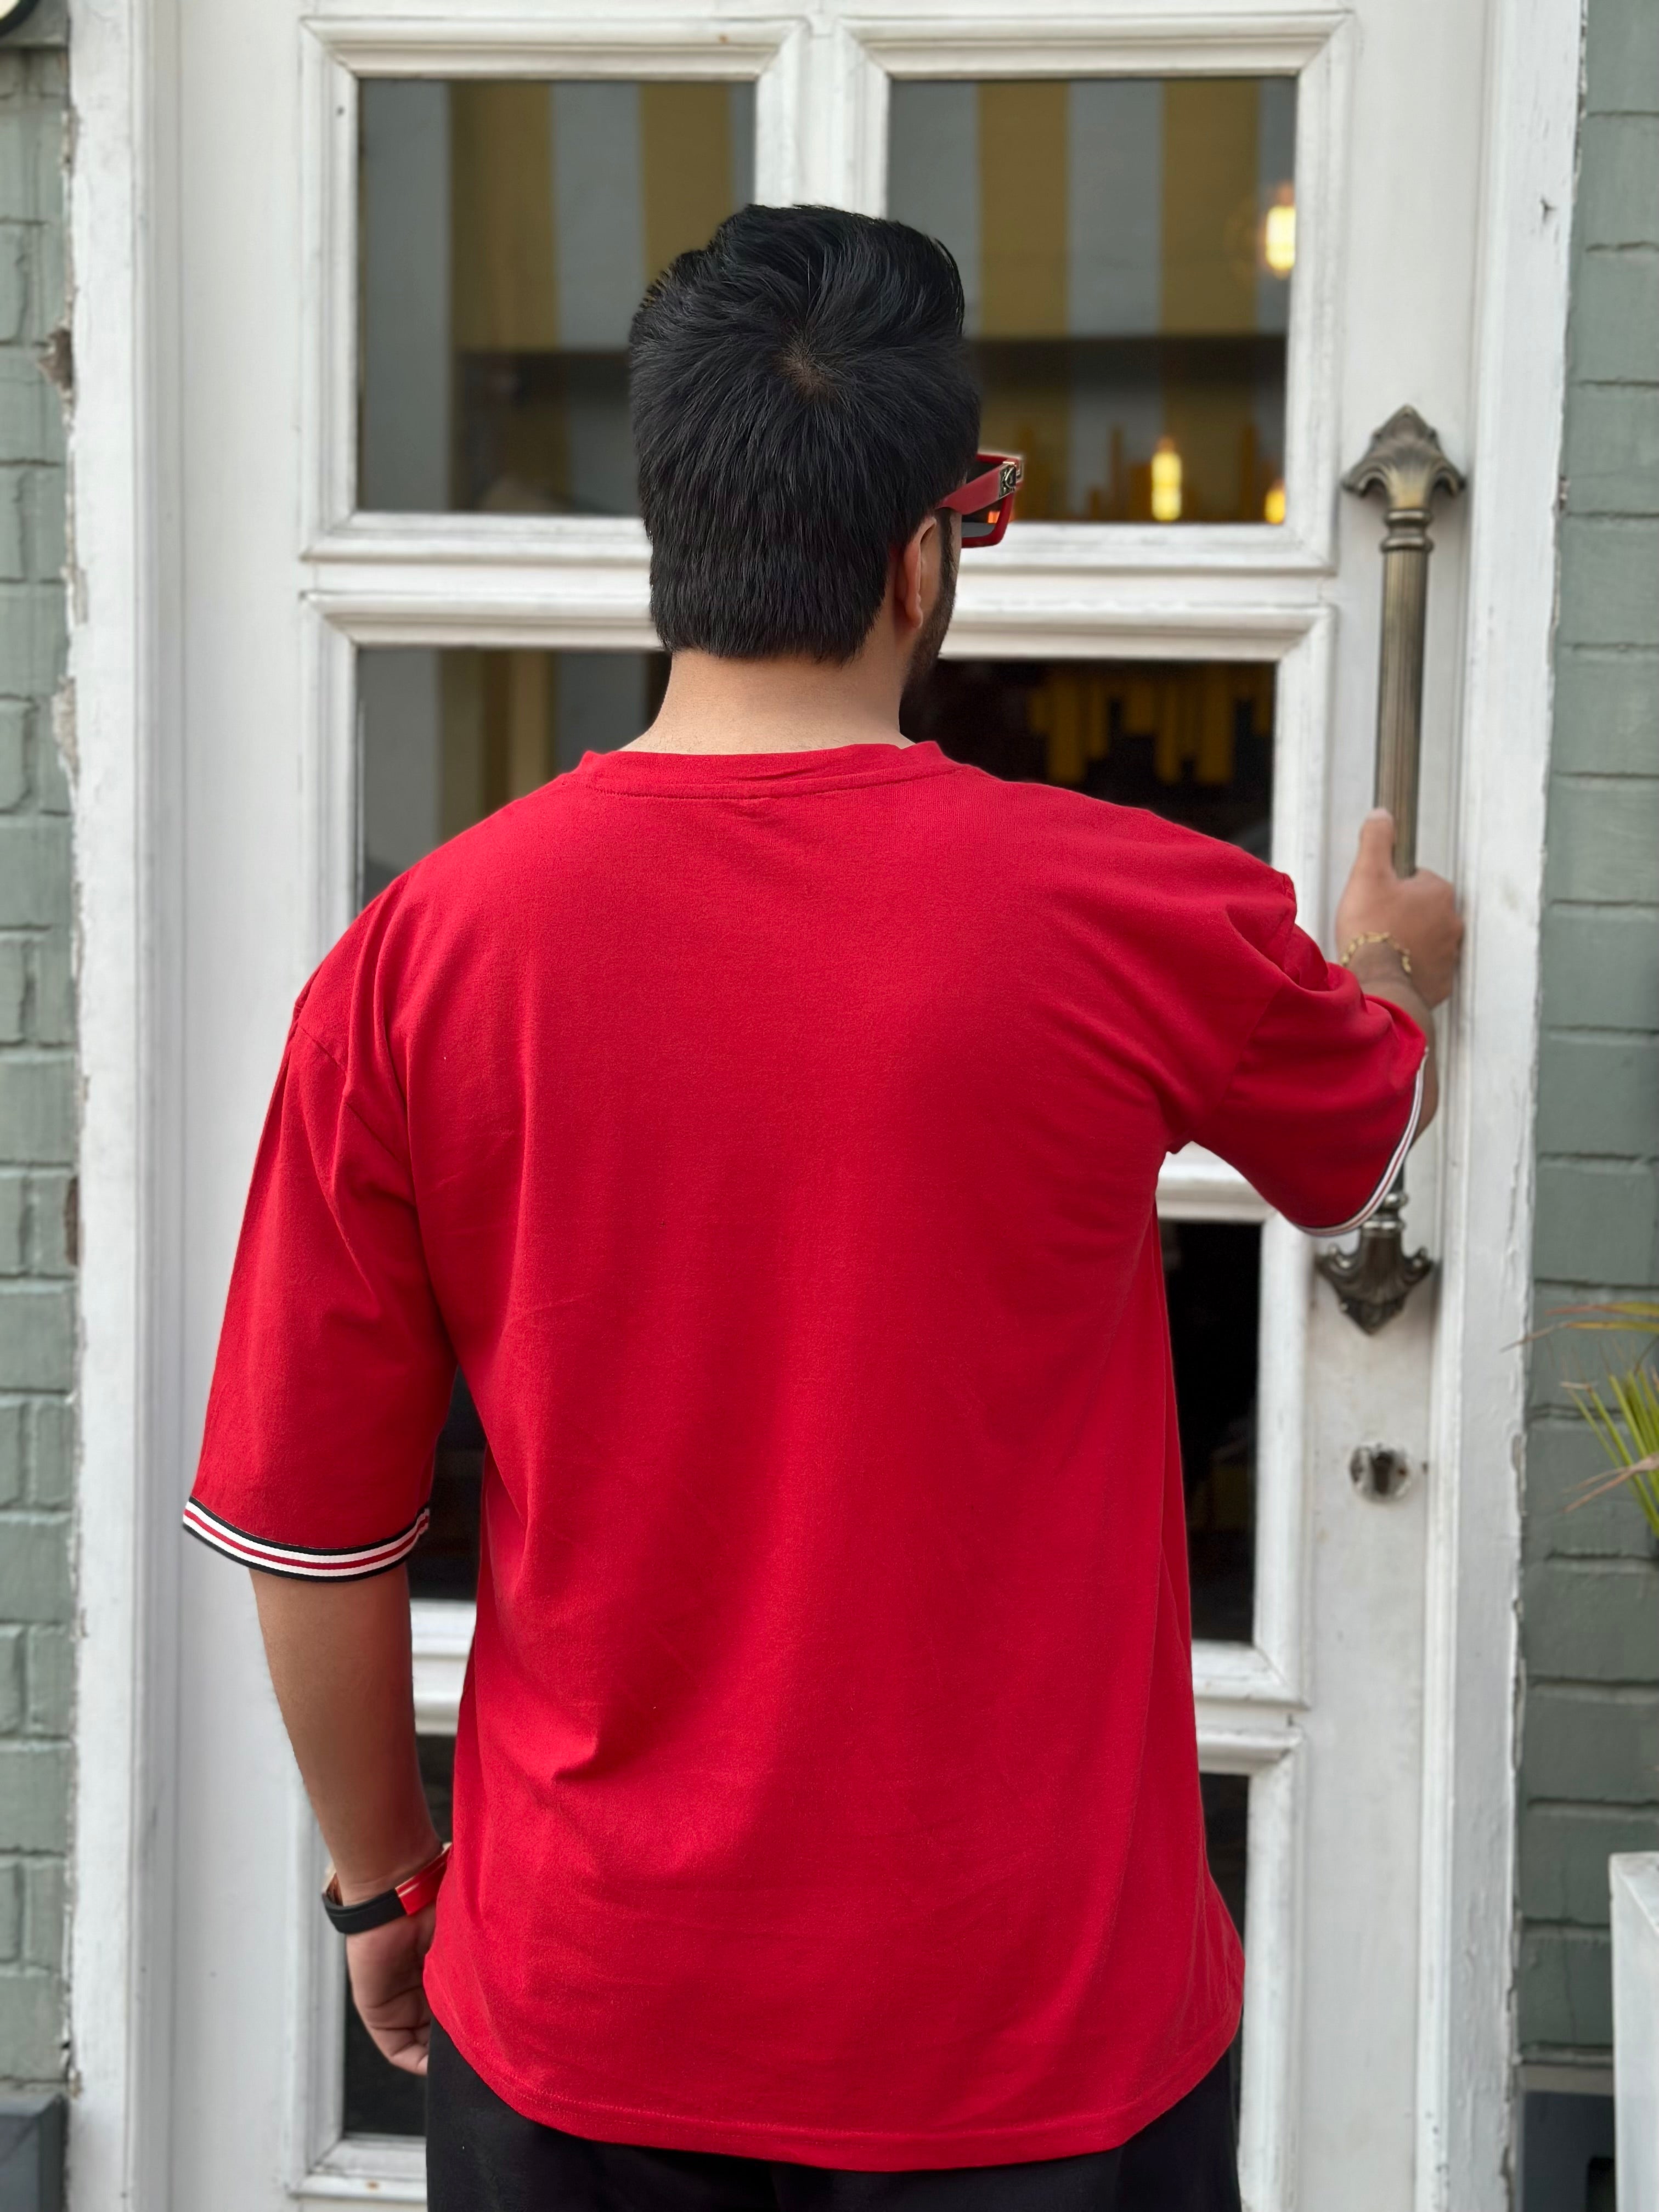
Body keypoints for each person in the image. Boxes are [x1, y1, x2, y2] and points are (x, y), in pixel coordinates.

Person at [184, 206, 1462, 2212]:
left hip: (588, 2018)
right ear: (926, 548)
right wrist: (1394, 960)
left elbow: (310, 1533)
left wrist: (380, 1887)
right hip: (1035, 2035)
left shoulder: (418, 961)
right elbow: (1364, 1135)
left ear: (672, 533)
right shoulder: (1133, 909)